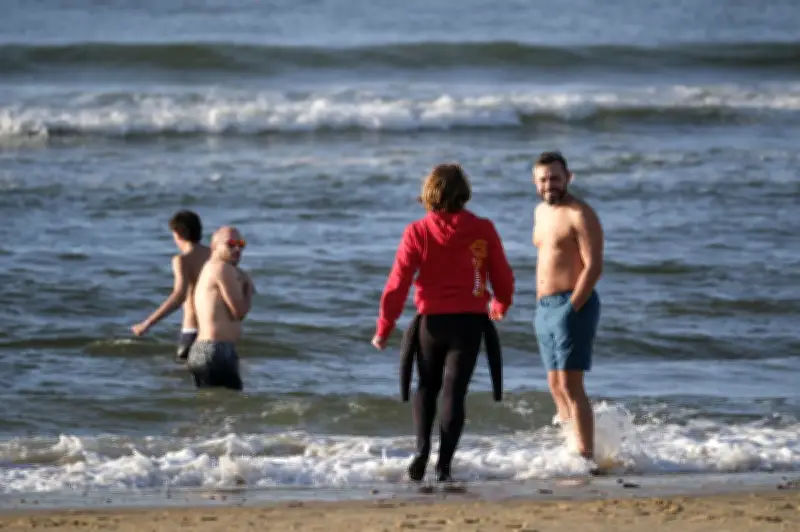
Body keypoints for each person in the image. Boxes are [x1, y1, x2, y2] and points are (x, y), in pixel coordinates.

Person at [372, 163, 515, 483]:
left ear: (429, 193)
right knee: (454, 392)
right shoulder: (483, 229)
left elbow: (397, 283)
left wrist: (384, 327)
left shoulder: (417, 231)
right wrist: (501, 303)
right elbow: (502, 274)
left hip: (431, 324)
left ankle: (422, 450)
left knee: (426, 386)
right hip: (469, 325)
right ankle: (444, 467)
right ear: (464, 193)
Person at [531, 151, 603, 466]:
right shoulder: (540, 212)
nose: (550, 184)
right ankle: (571, 447)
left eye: (555, 178)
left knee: (571, 385)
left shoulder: (580, 214)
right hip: (544, 307)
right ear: (535, 182)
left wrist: (572, 307)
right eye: (543, 179)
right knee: (554, 385)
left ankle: (586, 458)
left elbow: (594, 266)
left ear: (568, 178)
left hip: (572, 303)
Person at [132, 210, 211, 362]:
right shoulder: (214, 256)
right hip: (216, 331)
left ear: (178, 234)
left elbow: (179, 295)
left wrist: (147, 323)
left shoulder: (182, 260)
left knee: (183, 375)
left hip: (193, 330)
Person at [188, 226, 254, 391]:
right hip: (215, 350)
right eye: (231, 244)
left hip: (206, 349)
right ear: (214, 246)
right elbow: (239, 312)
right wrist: (248, 289)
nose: (237, 249)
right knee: (232, 403)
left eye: (241, 244)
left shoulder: (211, 268)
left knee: (214, 403)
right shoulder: (222, 268)